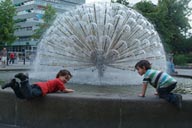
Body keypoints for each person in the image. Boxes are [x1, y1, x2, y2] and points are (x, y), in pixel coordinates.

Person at [1, 69, 74, 100]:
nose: (66, 80)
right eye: (66, 78)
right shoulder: (59, 81)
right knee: (29, 95)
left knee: (21, 95)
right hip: (41, 88)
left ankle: (14, 85)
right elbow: (64, 90)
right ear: (60, 75)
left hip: (37, 85)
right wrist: (71, 90)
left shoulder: (57, 81)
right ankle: (24, 79)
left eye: (68, 79)